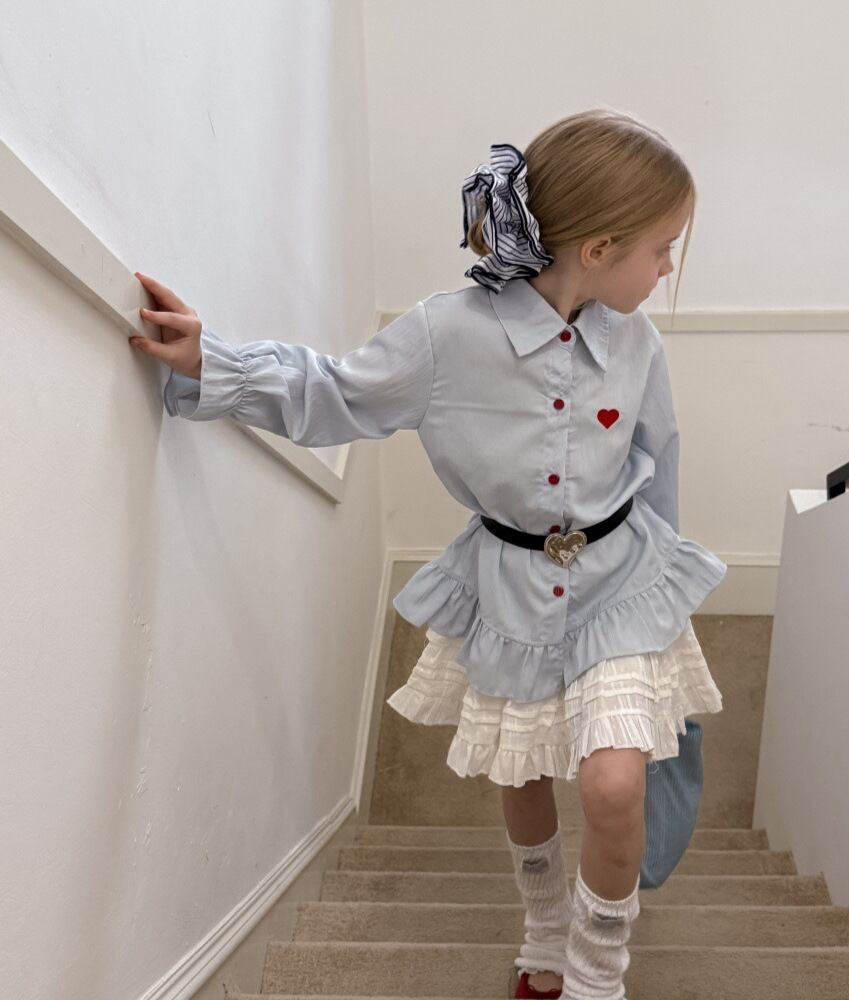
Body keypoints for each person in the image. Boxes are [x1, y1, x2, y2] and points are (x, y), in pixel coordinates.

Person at [128, 107, 727, 1000]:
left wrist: (668, 592)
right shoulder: (446, 335)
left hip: (621, 583)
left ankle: (598, 974)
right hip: (511, 586)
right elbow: (337, 393)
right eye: (662, 249)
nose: (668, 267)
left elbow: (657, 454)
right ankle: (544, 927)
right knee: (522, 765)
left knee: (613, 785)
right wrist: (214, 363)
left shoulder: (637, 342)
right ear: (600, 248)